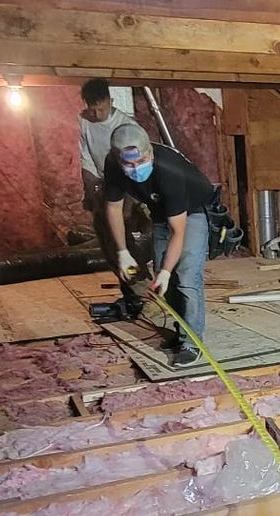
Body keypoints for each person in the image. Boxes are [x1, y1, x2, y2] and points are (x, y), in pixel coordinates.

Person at [102, 122, 216, 365]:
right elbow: (113, 207)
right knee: (163, 279)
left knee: (185, 276)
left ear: (150, 153)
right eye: (129, 165)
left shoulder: (169, 171)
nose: (135, 169)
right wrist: (122, 252)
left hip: (193, 211)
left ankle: (191, 341)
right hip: (160, 212)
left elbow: (178, 231)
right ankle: (180, 330)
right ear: (117, 158)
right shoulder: (112, 164)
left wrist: (167, 270)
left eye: (141, 162)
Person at [77, 79, 133, 216]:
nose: (97, 115)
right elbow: (85, 154)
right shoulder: (83, 121)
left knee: (124, 218)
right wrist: (91, 182)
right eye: (92, 110)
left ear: (111, 101)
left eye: (101, 109)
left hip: (123, 182)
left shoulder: (126, 125)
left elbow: (133, 165)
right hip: (99, 180)